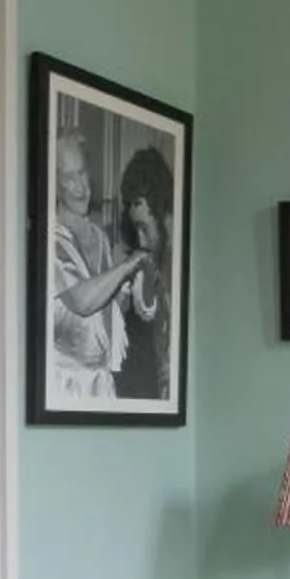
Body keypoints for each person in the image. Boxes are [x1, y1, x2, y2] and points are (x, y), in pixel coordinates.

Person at [48, 129, 145, 402]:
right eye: (69, 177)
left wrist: (126, 292)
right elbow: (81, 302)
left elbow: (105, 313)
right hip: (63, 385)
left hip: (100, 381)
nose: (82, 187)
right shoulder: (49, 238)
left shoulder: (99, 237)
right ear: (54, 184)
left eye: (82, 173)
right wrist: (127, 265)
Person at [116, 144, 174, 402]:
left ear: (166, 216)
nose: (140, 240)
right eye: (135, 229)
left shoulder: (178, 271)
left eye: (144, 228)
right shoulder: (142, 267)